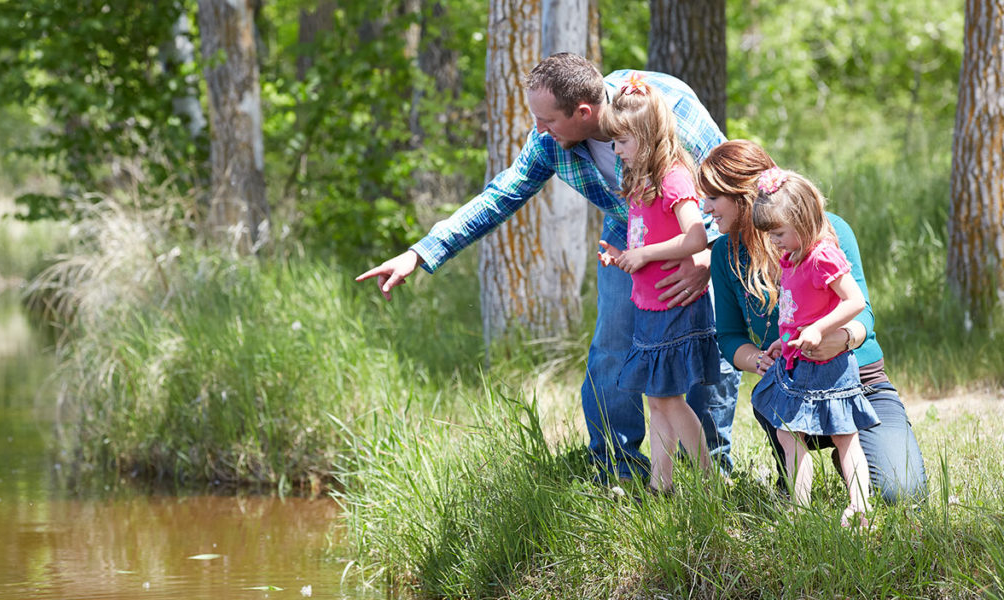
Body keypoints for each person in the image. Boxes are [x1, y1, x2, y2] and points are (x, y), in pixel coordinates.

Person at [356, 52, 741, 482]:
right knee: (614, 348)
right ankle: (619, 471)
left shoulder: (667, 104)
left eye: (547, 120)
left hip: (700, 234)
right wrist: (420, 253)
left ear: (583, 112)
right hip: (629, 234)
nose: (538, 130)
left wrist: (711, 256)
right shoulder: (548, 143)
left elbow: (731, 186)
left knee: (706, 348)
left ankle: (713, 472)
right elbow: (499, 196)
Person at [698, 139, 928, 505]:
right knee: (769, 398)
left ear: (743, 195)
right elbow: (728, 336)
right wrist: (758, 360)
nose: (705, 208)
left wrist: (841, 338)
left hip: (856, 380)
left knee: (903, 494)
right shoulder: (726, 253)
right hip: (793, 382)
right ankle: (795, 485)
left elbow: (862, 309)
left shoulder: (826, 230)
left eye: (712, 197)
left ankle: (853, 451)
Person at [595, 73, 719, 492]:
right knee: (656, 398)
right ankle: (660, 486)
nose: (616, 151)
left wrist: (644, 255)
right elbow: (647, 237)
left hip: (675, 306)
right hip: (650, 305)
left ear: (647, 138)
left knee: (669, 399)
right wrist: (623, 258)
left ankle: (707, 484)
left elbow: (696, 236)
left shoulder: (674, 177)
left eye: (623, 142)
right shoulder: (641, 181)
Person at [748, 166, 880, 524]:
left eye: (778, 232)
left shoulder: (822, 255)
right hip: (799, 361)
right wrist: (784, 340)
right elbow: (798, 312)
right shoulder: (792, 257)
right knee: (788, 432)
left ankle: (860, 506)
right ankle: (800, 506)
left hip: (829, 366)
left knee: (844, 436)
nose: (773, 241)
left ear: (803, 220)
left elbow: (854, 302)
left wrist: (820, 330)